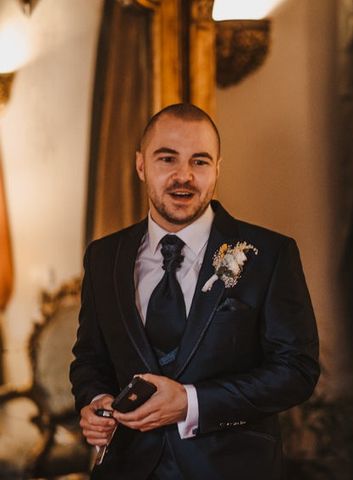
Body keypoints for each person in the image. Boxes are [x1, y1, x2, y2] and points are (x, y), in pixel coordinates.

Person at [70, 103, 320, 479]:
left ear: (217, 169)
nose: (183, 176)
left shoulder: (270, 254)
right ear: (141, 165)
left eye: (200, 162)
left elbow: (296, 371)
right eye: (167, 159)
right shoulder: (104, 257)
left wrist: (191, 403)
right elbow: (90, 358)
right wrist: (96, 402)